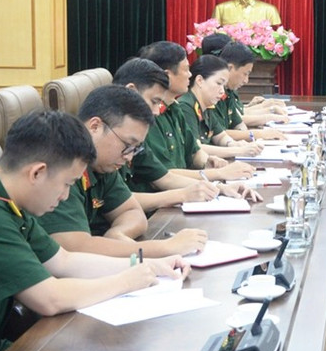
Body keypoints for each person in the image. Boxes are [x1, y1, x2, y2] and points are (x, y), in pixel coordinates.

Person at [0, 110, 189, 351]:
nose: (65, 196)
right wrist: (126, 281)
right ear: (37, 172)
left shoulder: (8, 202)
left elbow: (64, 261)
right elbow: (49, 299)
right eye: (67, 184)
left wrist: (146, 265)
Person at [37, 86, 208, 258]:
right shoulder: (60, 162)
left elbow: (133, 212)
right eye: (127, 145)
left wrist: (118, 233)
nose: (129, 157)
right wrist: (165, 248)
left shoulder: (102, 163)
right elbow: (74, 247)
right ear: (95, 126)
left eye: (136, 148)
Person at [112, 58, 261, 212]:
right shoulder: (114, 137)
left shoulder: (172, 110)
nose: (156, 111)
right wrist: (185, 193)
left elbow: (165, 176)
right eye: (155, 101)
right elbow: (119, 201)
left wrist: (218, 188)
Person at [138, 41, 257, 182]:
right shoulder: (152, 115)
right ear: (167, 75)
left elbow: (194, 151)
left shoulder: (174, 108)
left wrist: (209, 162)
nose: (190, 75)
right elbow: (164, 176)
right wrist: (219, 174)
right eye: (186, 70)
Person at [177, 55, 265, 159]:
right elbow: (197, 148)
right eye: (219, 83)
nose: (222, 91)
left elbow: (220, 136)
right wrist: (237, 151)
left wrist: (233, 144)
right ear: (200, 80)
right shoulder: (186, 106)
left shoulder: (207, 106)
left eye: (224, 85)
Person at [214, 42, 289, 137]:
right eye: (245, 74)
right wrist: (259, 134)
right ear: (230, 68)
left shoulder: (228, 90)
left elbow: (238, 122)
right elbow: (219, 133)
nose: (246, 80)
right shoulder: (213, 91)